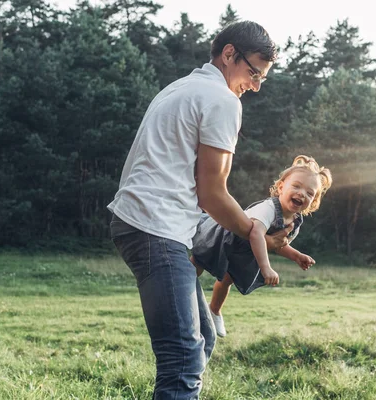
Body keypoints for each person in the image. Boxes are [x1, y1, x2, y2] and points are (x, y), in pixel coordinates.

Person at [108, 21, 288, 399]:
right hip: (156, 228)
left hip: (142, 222)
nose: (255, 85)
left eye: (262, 79)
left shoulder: (183, 86)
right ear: (228, 54)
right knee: (184, 357)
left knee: (203, 337)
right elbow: (212, 194)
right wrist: (258, 233)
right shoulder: (222, 100)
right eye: (253, 72)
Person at [191, 155, 332, 337]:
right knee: (198, 262)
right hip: (224, 236)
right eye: (296, 186)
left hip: (241, 250)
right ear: (281, 187)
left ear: (313, 202)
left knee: (227, 280)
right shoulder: (269, 208)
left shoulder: (295, 221)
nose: (302, 193)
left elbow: (278, 244)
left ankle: (214, 310)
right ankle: (181, 289)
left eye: (310, 193)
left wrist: (296, 255)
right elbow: (256, 233)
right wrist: (266, 269)